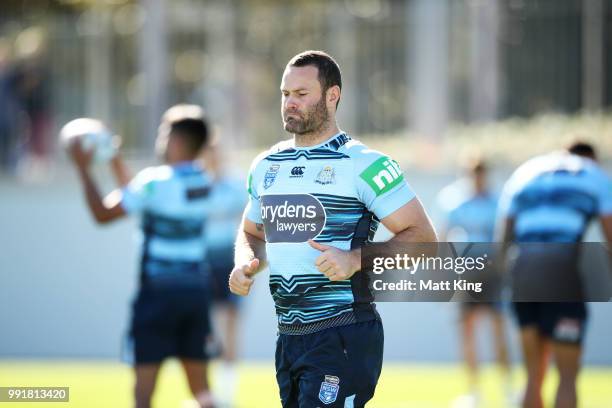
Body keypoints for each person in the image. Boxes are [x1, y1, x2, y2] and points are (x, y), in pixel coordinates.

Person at [229, 50, 437, 407]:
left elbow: (423, 240)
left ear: (332, 95)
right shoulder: (266, 165)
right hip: (289, 337)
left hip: (344, 331)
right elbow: (251, 232)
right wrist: (245, 262)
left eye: (301, 94)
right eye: (285, 94)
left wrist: (355, 259)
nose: (290, 103)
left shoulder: (365, 164)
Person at [68, 105, 215, 408]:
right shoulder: (203, 181)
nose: (160, 140)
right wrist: (114, 159)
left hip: (157, 298)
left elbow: (103, 214)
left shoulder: (155, 182)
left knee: (143, 396)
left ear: (177, 141)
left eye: (164, 133)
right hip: (194, 295)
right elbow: (140, 194)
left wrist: (83, 169)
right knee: (202, 394)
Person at [497, 141, 612, 408]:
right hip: (561, 274)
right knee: (567, 377)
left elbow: (502, 241)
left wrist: (508, 284)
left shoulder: (526, 172)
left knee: (533, 375)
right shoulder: (594, 174)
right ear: (590, 157)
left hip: (522, 274)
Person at [437, 158, 512, 406]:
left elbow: (504, 238)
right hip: (465, 272)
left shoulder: (497, 201)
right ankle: (473, 391)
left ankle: (508, 389)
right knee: (466, 331)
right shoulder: (453, 200)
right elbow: (444, 238)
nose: (477, 179)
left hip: (492, 271)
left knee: (498, 328)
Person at [202, 137, 247, 406]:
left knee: (229, 326)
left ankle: (226, 397)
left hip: (229, 264)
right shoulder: (196, 185)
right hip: (201, 264)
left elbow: (248, 221)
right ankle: (205, 396)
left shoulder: (235, 184)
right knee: (204, 330)